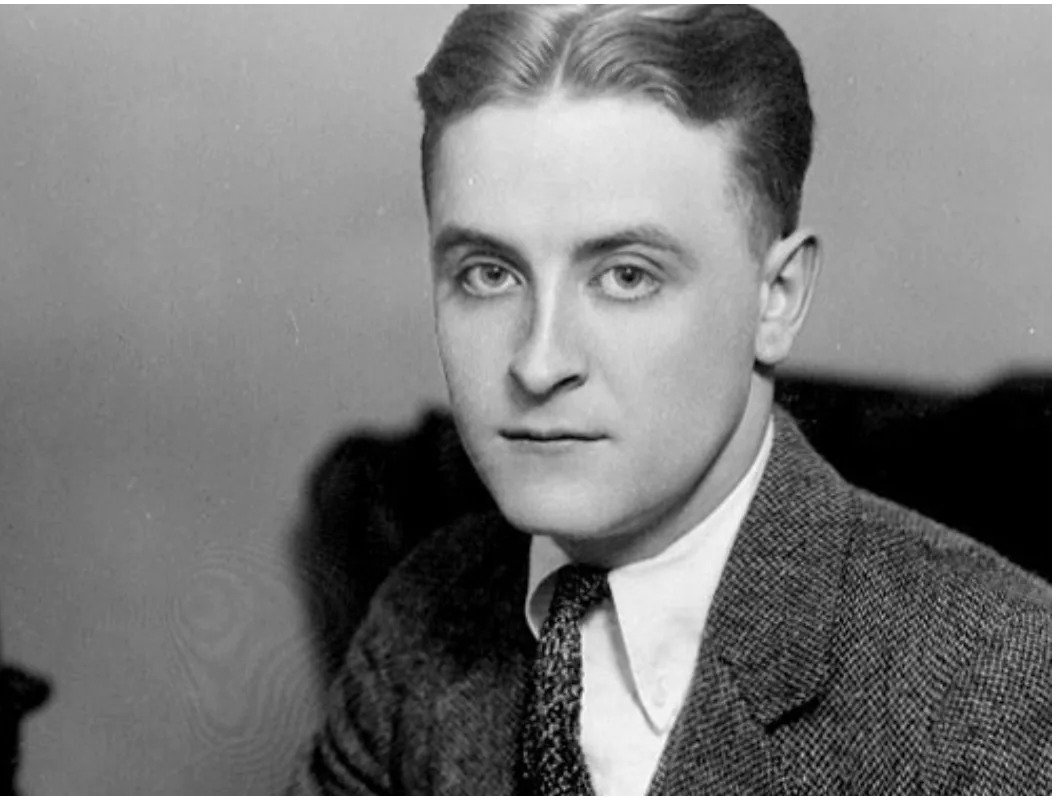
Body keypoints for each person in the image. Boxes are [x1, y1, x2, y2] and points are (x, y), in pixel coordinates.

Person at [292, 5, 1051, 794]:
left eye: (627, 276)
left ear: (777, 299)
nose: (539, 364)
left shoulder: (1001, 680)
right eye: (489, 274)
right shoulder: (419, 620)